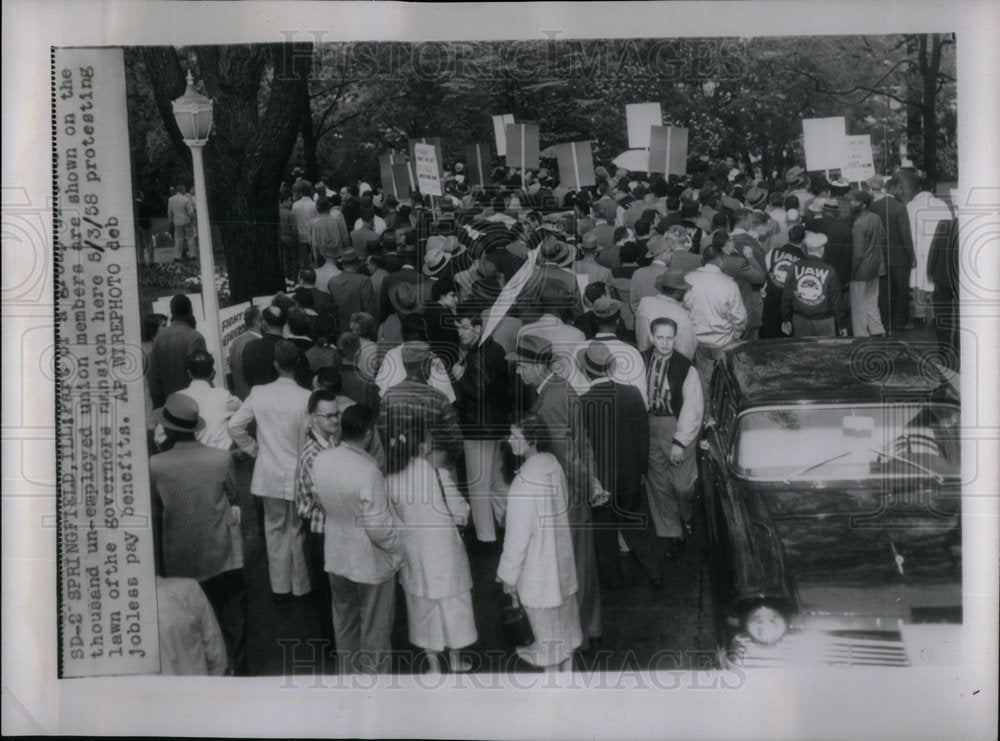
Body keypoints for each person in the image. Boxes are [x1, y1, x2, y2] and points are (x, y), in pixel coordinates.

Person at [509, 334, 602, 648]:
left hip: (568, 495)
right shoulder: (562, 386)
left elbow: (566, 453)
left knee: (569, 566)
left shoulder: (549, 401)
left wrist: (588, 485)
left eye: (521, 366)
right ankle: (589, 628)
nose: (518, 372)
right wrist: (594, 481)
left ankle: (579, 635)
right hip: (579, 489)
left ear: (537, 366)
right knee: (583, 563)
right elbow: (584, 441)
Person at [150, 393, 247, 674]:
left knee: (196, 617)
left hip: (180, 556)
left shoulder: (156, 465)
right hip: (220, 550)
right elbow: (231, 491)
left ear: (166, 429)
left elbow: (158, 507)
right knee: (233, 612)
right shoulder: (220, 458)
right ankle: (239, 668)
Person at [309, 404, 402, 674]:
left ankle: (347, 679)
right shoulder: (368, 471)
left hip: (336, 554)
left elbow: (319, 499)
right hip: (369, 563)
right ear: (370, 433)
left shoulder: (323, 459)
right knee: (375, 630)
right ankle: (374, 689)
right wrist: (399, 549)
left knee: (345, 624)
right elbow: (378, 527)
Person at [385, 416, 476, 674]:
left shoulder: (390, 479)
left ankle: (434, 666)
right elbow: (461, 512)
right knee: (453, 606)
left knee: (423, 610)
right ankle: (457, 661)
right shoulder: (438, 474)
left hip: (414, 556)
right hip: (445, 555)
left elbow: (392, 520)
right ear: (422, 446)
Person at [497, 414, 583, 671]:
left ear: (532, 440)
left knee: (547, 652)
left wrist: (508, 577)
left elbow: (516, 539)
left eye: (515, 436)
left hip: (538, 579)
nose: (509, 440)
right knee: (566, 642)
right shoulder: (554, 467)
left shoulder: (523, 483)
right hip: (562, 569)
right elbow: (564, 505)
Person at [229, 341, 312, 602]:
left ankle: (279, 587)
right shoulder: (307, 397)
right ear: (297, 363)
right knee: (297, 528)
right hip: (297, 470)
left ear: (275, 364)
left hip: (268, 470)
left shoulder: (259, 393)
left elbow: (235, 426)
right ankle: (301, 586)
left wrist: (255, 449)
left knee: (274, 528)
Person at [631, 318, 703, 583]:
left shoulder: (686, 367)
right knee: (658, 484)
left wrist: (680, 441)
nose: (664, 343)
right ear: (651, 336)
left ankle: (687, 517)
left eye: (669, 338)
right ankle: (673, 535)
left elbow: (693, 408)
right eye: (660, 337)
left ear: (675, 338)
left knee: (682, 486)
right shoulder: (640, 360)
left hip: (676, 425)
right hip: (650, 425)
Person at [577, 342, 649, 590]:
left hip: (600, 479)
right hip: (630, 474)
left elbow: (581, 445)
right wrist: (642, 471)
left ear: (586, 371)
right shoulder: (632, 394)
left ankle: (613, 582)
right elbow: (643, 436)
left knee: (604, 534)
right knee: (639, 529)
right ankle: (655, 572)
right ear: (611, 367)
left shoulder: (581, 403)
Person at [450, 307, 511, 545]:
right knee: (498, 482)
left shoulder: (476, 356)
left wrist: (459, 377)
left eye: (463, 327)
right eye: (457, 327)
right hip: (498, 425)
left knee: (478, 487)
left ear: (477, 329)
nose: (459, 332)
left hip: (477, 428)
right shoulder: (497, 349)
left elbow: (478, 391)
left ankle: (486, 538)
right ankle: (509, 524)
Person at [378, 340, 464, 469]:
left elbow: (382, 432)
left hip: (401, 465)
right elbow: (455, 438)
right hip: (434, 466)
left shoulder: (389, 396)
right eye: (430, 363)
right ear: (424, 365)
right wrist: (449, 462)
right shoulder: (438, 398)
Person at [683, 243, 747, 399]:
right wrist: (735, 335)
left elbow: (683, 309)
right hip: (723, 341)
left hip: (697, 342)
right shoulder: (729, 283)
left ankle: (705, 417)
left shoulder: (688, 279)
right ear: (721, 260)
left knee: (701, 384)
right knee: (723, 384)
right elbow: (740, 317)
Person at [155, 575, 228, 676]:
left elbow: (216, 654)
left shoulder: (187, 589)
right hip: (198, 687)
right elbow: (217, 655)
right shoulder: (187, 589)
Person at [869, 176, 915, 331]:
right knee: (901, 291)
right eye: (900, 188)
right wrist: (911, 256)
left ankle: (885, 320)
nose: (901, 191)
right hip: (900, 257)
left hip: (881, 256)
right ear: (893, 189)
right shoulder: (900, 207)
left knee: (884, 291)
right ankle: (900, 322)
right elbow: (905, 234)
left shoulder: (874, 206)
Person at [781, 231, 846, 338]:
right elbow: (836, 301)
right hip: (825, 321)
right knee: (825, 351)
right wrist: (841, 324)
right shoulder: (830, 270)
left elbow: (787, 295)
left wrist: (786, 319)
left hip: (800, 319)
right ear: (821, 249)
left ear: (806, 249)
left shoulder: (794, 267)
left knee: (802, 351)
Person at [148, 294, 208, 407]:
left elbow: (154, 377)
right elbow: (202, 376)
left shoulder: (159, 338)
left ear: (172, 312)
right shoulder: (195, 337)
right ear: (191, 310)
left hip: (168, 405)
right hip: (192, 406)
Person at [588, 296, 648, 407]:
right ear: (618, 321)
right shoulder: (631, 353)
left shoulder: (579, 349)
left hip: (587, 418)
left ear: (595, 320)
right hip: (623, 419)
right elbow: (642, 401)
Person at [178, 350, 241, 450]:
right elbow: (241, 410)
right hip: (221, 455)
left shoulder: (178, 397)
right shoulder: (223, 395)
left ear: (189, 373)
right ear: (213, 373)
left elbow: (160, 436)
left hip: (189, 458)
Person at [848, 189, 887, 337]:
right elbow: (883, 237)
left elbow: (857, 254)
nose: (852, 203)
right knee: (872, 302)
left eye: (855, 201)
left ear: (863, 205)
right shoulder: (875, 218)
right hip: (876, 267)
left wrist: (851, 273)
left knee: (858, 305)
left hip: (861, 271)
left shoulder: (858, 224)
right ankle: (878, 329)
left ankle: (861, 334)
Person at [635, 269, 696, 358]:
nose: (685, 292)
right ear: (678, 292)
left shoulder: (644, 303)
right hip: (668, 362)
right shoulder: (681, 314)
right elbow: (687, 349)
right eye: (684, 290)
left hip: (644, 356)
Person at [760, 224, 806, 338]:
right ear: (803, 241)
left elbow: (764, 273)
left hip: (771, 300)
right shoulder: (804, 260)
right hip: (789, 305)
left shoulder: (773, 252)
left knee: (769, 337)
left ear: (788, 238)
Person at [926, 216, 960, 369]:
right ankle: (959, 350)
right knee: (962, 318)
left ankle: (943, 350)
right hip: (962, 281)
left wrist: (930, 270)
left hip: (942, 277)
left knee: (941, 314)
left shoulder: (944, 224)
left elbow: (934, 248)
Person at [327, 249, 376, 335]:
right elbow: (369, 309)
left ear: (342, 264)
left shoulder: (332, 281)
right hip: (360, 330)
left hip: (340, 330)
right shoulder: (364, 280)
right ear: (357, 264)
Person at [241, 305, 286, 389]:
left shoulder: (250, 347)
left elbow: (247, 379)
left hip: (259, 398)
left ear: (264, 323)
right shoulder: (292, 347)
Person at [228, 305, 262, 401]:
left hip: (241, 398)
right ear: (258, 323)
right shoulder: (255, 343)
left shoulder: (236, 341)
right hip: (254, 400)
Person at [309, 196, 350, 268]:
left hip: (323, 257)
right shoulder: (336, 220)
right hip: (338, 255)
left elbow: (315, 245)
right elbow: (344, 237)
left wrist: (316, 260)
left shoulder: (315, 223)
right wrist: (347, 251)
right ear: (329, 207)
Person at [292, 181, 318, 271]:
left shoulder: (295, 205)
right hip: (313, 235)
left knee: (304, 260)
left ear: (301, 193)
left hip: (301, 235)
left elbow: (294, 221)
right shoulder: (314, 205)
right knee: (314, 259)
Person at [167, 184, 195, 260]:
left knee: (178, 238)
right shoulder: (186, 199)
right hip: (187, 221)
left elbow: (169, 212)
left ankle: (177, 256)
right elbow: (191, 211)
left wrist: (171, 221)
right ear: (182, 190)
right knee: (190, 238)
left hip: (177, 221)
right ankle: (192, 255)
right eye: (184, 190)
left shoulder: (171, 199)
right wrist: (192, 219)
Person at [278, 191, 299, 284]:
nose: (291, 203)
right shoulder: (290, 213)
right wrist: (296, 236)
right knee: (294, 259)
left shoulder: (277, 212)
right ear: (285, 201)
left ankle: (287, 277)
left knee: (285, 259)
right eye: (290, 200)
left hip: (281, 238)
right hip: (290, 238)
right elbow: (294, 228)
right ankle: (295, 278)